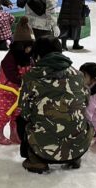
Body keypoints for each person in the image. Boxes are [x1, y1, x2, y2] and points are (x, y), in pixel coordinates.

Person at [17, 36, 92, 173]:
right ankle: (73, 156)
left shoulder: (31, 77)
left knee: (20, 120)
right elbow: (86, 103)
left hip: (43, 148)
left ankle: (36, 160)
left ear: (38, 55)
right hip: (79, 146)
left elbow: (25, 112)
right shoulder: (78, 74)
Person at [0, 17, 34, 145]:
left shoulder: (29, 58)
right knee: (3, 114)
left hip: (20, 94)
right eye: (28, 47)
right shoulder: (9, 59)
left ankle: (15, 133)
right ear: (20, 46)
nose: (30, 50)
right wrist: (23, 81)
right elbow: (11, 75)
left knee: (17, 115)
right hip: (6, 92)